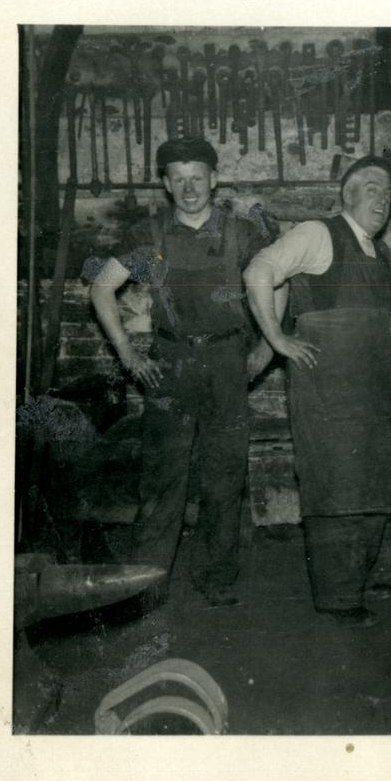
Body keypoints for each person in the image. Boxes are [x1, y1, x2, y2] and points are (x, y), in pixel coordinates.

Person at [244, 156, 391, 628]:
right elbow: (259, 271)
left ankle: (356, 579)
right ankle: (337, 597)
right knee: (335, 493)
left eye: (388, 193)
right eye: (371, 188)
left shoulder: (380, 258)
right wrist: (276, 338)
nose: (382, 199)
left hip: (368, 393)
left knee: (373, 490)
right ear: (347, 194)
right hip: (325, 391)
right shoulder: (318, 234)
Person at [85, 136, 271, 606]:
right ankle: (147, 585)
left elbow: (278, 282)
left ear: (214, 179)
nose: (190, 188)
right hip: (170, 364)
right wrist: (127, 353)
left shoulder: (241, 234)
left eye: (197, 178)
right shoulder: (150, 234)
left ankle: (216, 578)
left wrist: (268, 346)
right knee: (163, 477)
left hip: (227, 362)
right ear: (167, 184)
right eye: (179, 179)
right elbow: (101, 288)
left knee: (225, 474)